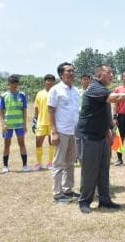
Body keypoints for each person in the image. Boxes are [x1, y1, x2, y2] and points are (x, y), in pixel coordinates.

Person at [76, 65, 125, 214]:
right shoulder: (94, 88)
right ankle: (84, 201)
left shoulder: (103, 89)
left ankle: (104, 200)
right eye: (109, 72)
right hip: (88, 136)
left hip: (101, 135)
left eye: (112, 72)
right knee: (90, 170)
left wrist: (109, 130)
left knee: (104, 169)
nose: (112, 74)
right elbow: (117, 98)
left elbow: (104, 112)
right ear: (99, 75)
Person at [48, 63, 81, 204]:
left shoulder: (75, 90)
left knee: (70, 163)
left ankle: (67, 189)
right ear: (61, 74)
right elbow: (50, 111)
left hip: (73, 131)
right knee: (58, 163)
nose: (72, 73)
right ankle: (57, 193)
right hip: (61, 132)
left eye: (73, 71)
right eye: (68, 71)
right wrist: (53, 131)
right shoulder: (55, 90)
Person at [0, 75, 29, 173]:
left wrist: (25, 124)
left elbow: (24, 110)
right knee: (7, 144)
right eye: (13, 83)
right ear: (9, 84)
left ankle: (24, 165)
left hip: (19, 124)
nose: (15, 85)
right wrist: (3, 124)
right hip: (8, 125)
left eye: (16, 83)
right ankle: (5, 166)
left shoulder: (22, 95)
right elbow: (1, 112)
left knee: (22, 144)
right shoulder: (3, 96)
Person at [33, 74, 56, 170]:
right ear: (44, 82)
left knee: (52, 143)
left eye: (51, 80)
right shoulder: (39, 93)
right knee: (38, 142)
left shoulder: (56, 93)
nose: (50, 82)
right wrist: (35, 120)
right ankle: (38, 163)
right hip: (41, 122)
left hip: (52, 122)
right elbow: (36, 107)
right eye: (48, 80)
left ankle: (50, 163)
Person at [112, 71, 125, 166]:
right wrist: (114, 117)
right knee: (119, 138)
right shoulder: (118, 89)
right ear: (122, 78)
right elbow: (114, 104)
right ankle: (119, 159)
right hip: (121, 116)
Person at [75, 73, 91, 164]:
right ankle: (78, 157)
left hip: (89, 117)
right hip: (78, 117)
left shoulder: (92, 91)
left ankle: (87, 157)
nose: (86, 81)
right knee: (77, 138)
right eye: (84, 79)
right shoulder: (77, 92)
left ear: (90, 80)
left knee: (88, 138)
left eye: (87, 79)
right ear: (81, 81)